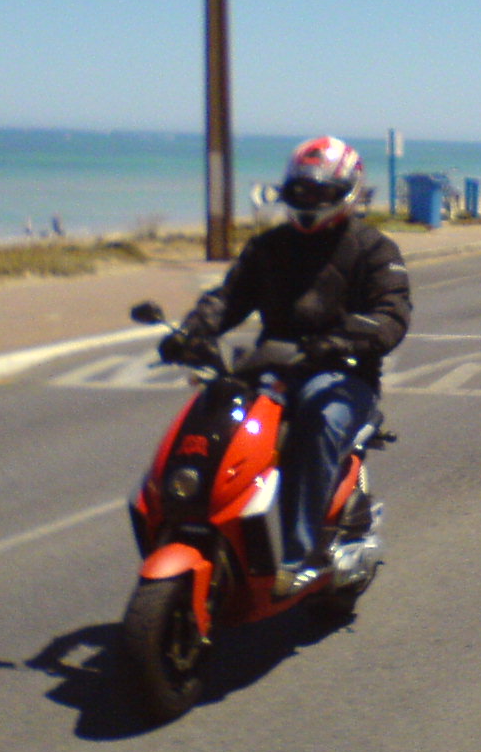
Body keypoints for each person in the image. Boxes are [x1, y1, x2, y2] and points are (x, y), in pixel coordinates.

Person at [158, 136, 412, 599]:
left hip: (343, 373)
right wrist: (193, 330)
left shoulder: (374, 249)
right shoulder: (269, 246)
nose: (309, 199)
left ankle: (303, 553)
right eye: (300, 190)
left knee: (317, 417)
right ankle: (195, 523)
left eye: (320, 191)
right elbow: (228, 297)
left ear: (347, 192)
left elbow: (392, 315)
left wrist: (342, 339)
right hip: (274, 368)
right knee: (217, 411)